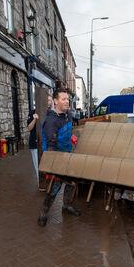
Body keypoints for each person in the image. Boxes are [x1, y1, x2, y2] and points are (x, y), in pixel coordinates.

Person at [37, 89, 80, 227]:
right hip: (55, 157)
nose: (67, 101)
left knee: (71, 184)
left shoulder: (67, 115)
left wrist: (71, 138)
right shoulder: (51, 121)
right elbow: (50, 146)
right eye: (63, 99)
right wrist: (54, 167)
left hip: (67, 155)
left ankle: (66, 206)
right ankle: (43, 213)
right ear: (55, 101)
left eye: (68, 99)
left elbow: (67, 132)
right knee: (55, 187)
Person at [27, 109, 40, 186]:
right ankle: (40, 184)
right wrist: (35, 119)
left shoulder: (50, 112)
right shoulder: (32, 112)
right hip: (34, 143)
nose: (48, 102)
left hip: (45, 143)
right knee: (37, 165)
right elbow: (29, 128)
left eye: (50, 100)